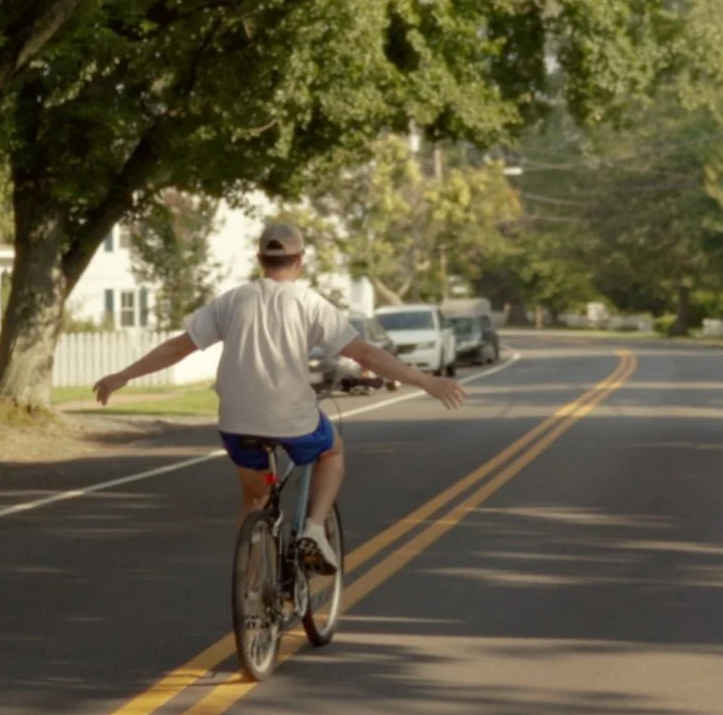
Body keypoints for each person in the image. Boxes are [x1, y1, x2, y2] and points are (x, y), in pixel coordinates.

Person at [95, 221, 466, 571]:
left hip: (236, 421)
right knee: (331, 451)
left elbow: (178, 348)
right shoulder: (309, 304)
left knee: (255, 498)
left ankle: (252, 582)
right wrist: (424, 381)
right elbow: (365, 354)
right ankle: (315, 529)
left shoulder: (232, 301)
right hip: (292, 418)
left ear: (260, 260)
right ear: (300, 261)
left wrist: (123, 376)